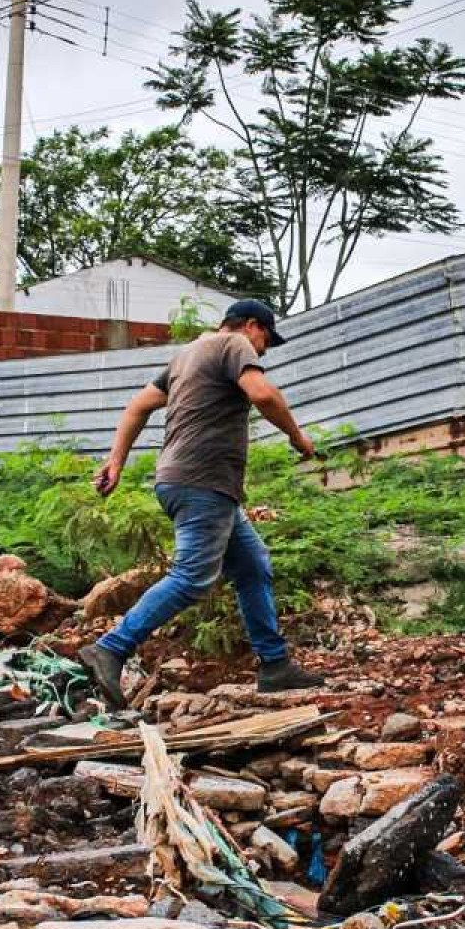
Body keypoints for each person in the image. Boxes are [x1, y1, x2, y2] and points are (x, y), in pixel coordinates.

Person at [77, 299, 326, 708]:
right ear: (251, 326)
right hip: (202, 481)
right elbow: (262, 395)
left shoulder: (186, 355)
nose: (263, 351)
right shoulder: (233, 345)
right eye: (266, 339)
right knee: (192, 576)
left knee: (251, 566)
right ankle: (111, 649)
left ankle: (275, 664)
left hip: (187, 481)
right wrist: (298, 438)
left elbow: (137, 407)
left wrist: (116, 462)